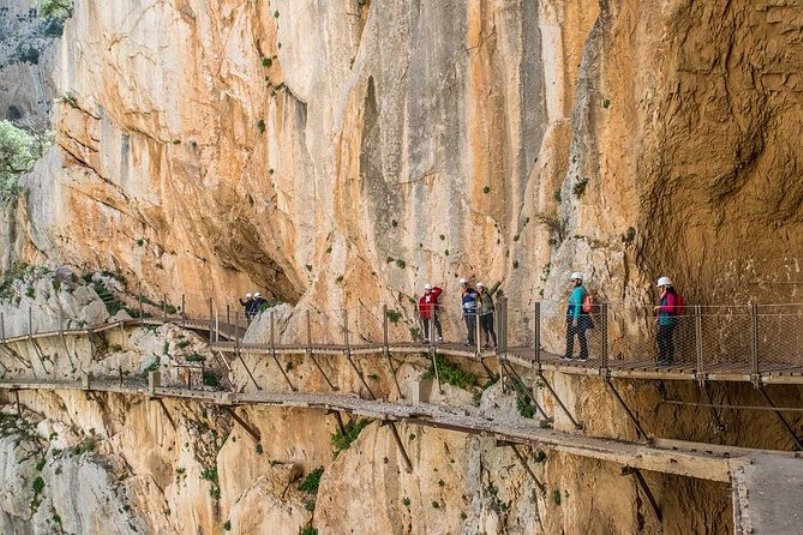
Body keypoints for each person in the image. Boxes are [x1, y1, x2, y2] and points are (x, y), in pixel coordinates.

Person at [564, 272, 593, 361]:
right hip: (582, 316)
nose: (572, 282)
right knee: (581, 335)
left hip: (575, 316)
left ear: (579, 281)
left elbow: (577, 305)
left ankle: (568, 356)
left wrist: (575, 319)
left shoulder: (577, 291)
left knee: (570, 336)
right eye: (571, 280)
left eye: (573, 280)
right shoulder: (583, 289)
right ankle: (584, 355)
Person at [653, 276, 679, 365]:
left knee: (664, 338)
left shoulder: (670, 295)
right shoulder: (664, 296)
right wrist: (658, 318)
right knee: (664, 338)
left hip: (669, 321)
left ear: (665, 286)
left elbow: (671, 308)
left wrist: (660, 307)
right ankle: (665, 357)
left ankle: (667, 358)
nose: (659, 289)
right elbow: (664, 308)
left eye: (660, 287)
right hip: (664, 321)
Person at [477, 282, 501, 349]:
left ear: (482, 288)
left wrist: (499, 282)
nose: (479, 289)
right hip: (482, 314)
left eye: (480, 288)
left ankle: (495, 343)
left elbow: (494, 288)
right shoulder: (477, 297)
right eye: (478, 288)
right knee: (485, 330)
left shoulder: (487, 294)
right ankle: (486, 344)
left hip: (488, 313)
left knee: (490, 328)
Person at [460, 278, 479, 346]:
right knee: (468, 327)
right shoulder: (463, 294)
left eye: (463, 285)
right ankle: (470, 341)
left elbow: (474, 297)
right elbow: (463, 304)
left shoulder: (471, 291)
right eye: (462, 285)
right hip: (466, 312)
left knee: (470, 327)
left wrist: (467, 294)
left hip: (471, 311)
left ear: (466, 284)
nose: (463, 287)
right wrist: (462, 314)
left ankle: (470, 341)